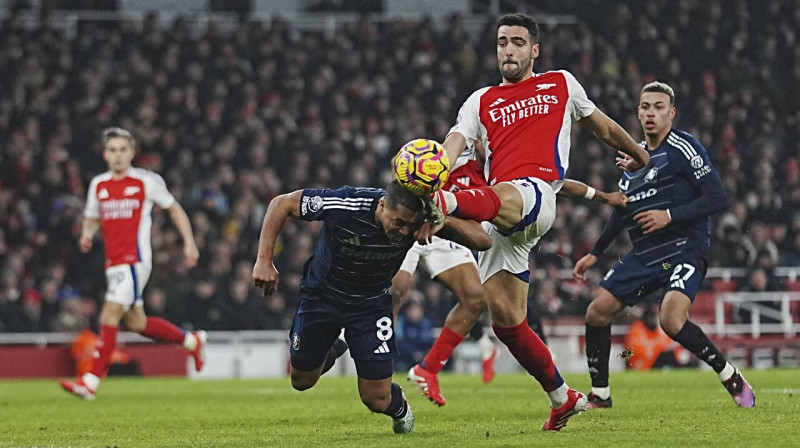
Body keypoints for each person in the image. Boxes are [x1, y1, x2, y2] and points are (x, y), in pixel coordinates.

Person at [428, 13, 650, 431]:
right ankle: (562, 397)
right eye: (500, 42)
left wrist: (641, 156)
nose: (507, 49)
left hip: (534, 193)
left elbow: (601, 126)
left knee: (490, 197)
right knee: (508, 323)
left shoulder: (561, 83)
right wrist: (437, 163)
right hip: (502, 216)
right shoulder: (480, 100)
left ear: (534, 49)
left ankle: (442, 205)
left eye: (516, 41)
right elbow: (456, 140)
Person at [251, 180, 491, 434]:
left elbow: (484, 241)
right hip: (321, 298)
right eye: (397, 222)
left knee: (376, 399)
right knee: (301, 381)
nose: (402, 231)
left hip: (371, 306)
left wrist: (444, 222)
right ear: (382, 205)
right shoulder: (346, 204)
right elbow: (282, 203)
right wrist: (264, 260)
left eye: (409, 225)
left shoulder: (418, 222)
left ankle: (399, 406)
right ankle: (336, 344)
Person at [573, 81, 755, 409]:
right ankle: (600, 394)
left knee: (670, 320)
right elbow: (622, 208)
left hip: (684, 248)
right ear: (638, 112)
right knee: (596, 313)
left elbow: (717, 197)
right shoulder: (633, 156)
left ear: (671, 113)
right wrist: (594, 253)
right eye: (645, 107)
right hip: (644, 255)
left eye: (658, 107)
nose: (651, 113)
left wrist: (669, 215)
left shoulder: (683, 147)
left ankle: (729, 373)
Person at [401, 144, 628, 407]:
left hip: (451, 231)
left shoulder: (506, 168)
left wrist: (603, 196)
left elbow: (556, 185)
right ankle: (379, 370)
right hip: (419, 221)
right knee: (395, 292)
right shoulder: (450, 156)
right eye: (485, 139)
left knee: (477, 301)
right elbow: (416, 177)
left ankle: (427, 369)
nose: (490, 144)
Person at [59, 127, 205, 400]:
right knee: (137, 323)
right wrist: (88, 233)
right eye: (112, 150)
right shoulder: (99, 185)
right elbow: (91, 217)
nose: (117, 155)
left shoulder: (145, 182)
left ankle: (89, 382)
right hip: (113, 264)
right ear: (105, 154)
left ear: (132, 152)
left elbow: (174, 208)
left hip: (136, 261)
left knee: (109, 314)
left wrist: (189, 242)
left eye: (122, 150)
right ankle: (191, 341)